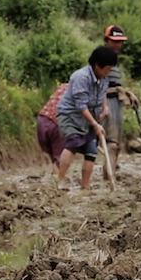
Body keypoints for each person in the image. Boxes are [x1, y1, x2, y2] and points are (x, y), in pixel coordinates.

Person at [55, 46, 117, 188]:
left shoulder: (104, 78)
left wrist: (104, 108)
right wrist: (95, 124)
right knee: (73, 144)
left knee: (91, 151)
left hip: (91, 118)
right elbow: (81, 106)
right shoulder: (81, 77)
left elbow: (103, 94)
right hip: (71, 116)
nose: (108, 72)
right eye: (107, 68)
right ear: (97, 65)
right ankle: (61, 181)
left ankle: (85, 184)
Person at [101, 25, 140, 179]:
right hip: (106, 103)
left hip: (116, 103)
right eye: (114, 41)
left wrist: (126, 92)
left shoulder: (113, 60)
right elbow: (99, 84)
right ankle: (108, 176)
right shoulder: (103, 57)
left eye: (120, 42)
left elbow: (113, 84)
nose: (117, 45)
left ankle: (111, 171)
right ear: (106, 40)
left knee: (115, 143)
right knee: (112, 143)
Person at [37, 82, 69, 177]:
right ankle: (56, 186)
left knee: (55, 158)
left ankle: (55, 179)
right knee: (59, 161)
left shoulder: (62, 86)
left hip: (42, 120)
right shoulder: (80, 92)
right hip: (57, 124)